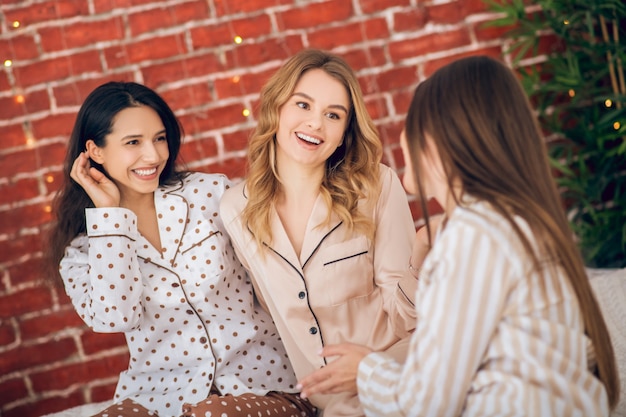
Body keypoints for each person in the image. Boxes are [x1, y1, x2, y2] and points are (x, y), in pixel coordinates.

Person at [300, 55, 621, 415]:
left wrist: (365, 370)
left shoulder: (472, 237)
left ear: (441, 140)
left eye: (413, 122)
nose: (403, 136)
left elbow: (427, 404)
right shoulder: (519, 224)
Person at [46, 81, 316, 417]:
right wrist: (110, 217)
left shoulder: (212, 194)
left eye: (160, 138)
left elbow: (289, 251)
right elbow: (117, 317)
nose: (154, 155)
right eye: (133, 142)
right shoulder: (83, 251)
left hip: (263, 385)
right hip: (161, 398)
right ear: (95, 151)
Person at [219, 49, 420, 416]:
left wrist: (420, 259)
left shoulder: (377, 186)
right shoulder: (237, 208)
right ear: (277, 108)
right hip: (317, 404)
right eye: (303, 105)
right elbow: (275, 316)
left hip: (391, 383)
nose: (315, 123)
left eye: (333, 115)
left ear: (344, 133)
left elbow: (408, 318)